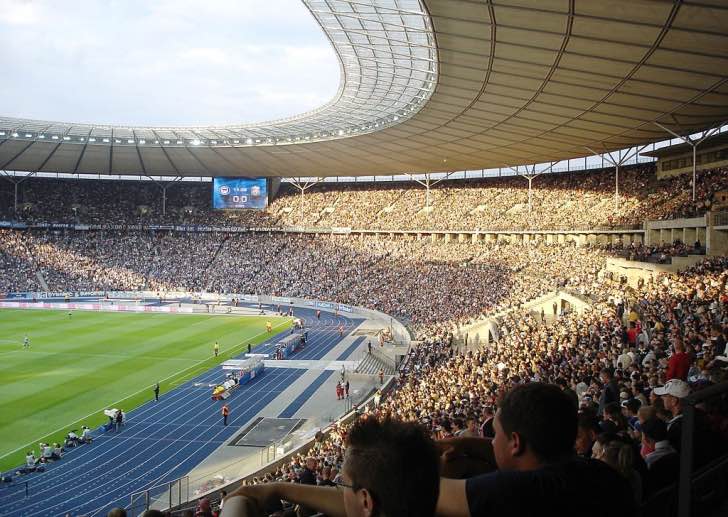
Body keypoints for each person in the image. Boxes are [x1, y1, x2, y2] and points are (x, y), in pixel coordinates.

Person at [436, 383, 635, 517]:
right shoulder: (602, 473)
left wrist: (442, 469)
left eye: (496, 435)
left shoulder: (516, 490)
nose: (492, 442)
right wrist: (464, 444)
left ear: (516, 442)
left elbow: (425, 491)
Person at [222, 417, 440, 517]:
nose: (338, 489)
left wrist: (234, 504)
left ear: (366, 501)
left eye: (342, 484)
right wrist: (279, 488)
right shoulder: (417, 494)